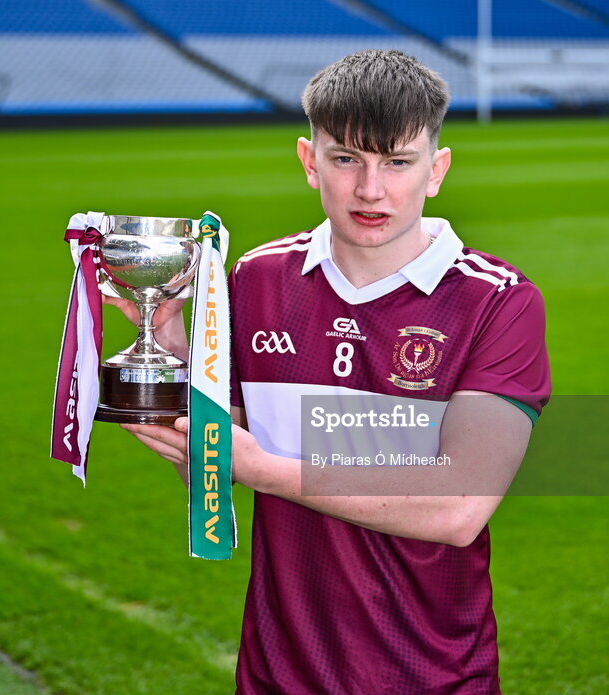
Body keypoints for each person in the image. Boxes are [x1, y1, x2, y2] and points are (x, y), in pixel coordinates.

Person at [108, 50, 550, 694]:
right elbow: (210, 471)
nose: (371, 189)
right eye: (346, 159)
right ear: (310, 161)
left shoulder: (498, 300)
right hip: (277, 674)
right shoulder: (255, 280)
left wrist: (259, 467)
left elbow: (458, 507)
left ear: (437, 169)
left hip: (431, 677)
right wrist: (175, 359)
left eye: (398, 162)